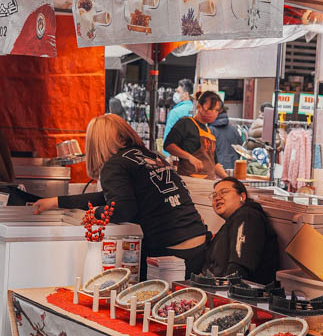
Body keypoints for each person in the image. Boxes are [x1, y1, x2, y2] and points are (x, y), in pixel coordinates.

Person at [32, 113, 209, 273]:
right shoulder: (150, 156)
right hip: (199, 244)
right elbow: (113, 196)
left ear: (96, 143)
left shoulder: (114, 165)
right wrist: (56, 201)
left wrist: (96, 213)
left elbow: (122, 208)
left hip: (170, 252)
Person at [201, 178, 281, 285]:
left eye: (224, 192)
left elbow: (239, 269)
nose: (217, 198)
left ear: (242, 197)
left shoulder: (247, 217)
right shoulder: (233, 221)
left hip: (242, 295)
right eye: (214, 195)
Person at [165, 89, 223, 177]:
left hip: (208, 182)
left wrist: (228, 179)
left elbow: (215, 163)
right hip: (189, 180)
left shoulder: (210, 132)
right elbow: (168, 145)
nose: (213, 113)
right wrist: (189, 157)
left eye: (216, 110)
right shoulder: (186, 123)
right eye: (210, 109)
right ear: (199, 107)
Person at [161, 80, 194, 145]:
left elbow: (168, 138)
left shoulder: (175, 112)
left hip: (176, 152)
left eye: (178, 92)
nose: (175, 94)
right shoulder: (196, 110)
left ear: (186, 94)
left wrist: (166, 154)